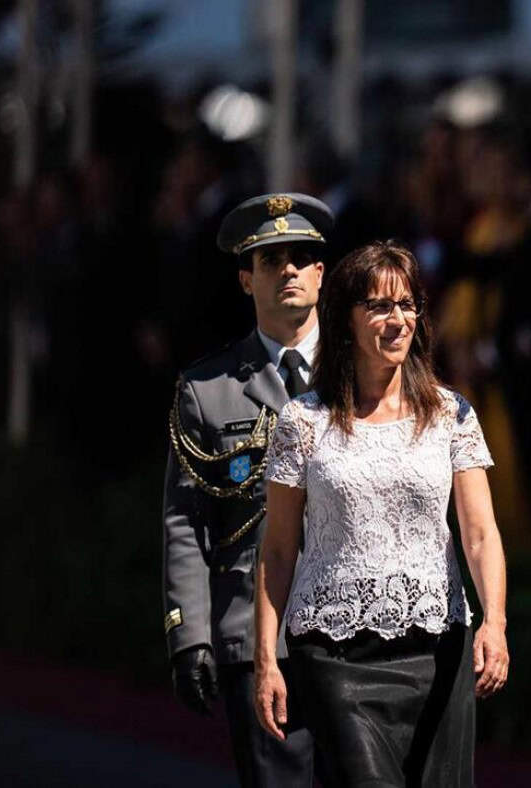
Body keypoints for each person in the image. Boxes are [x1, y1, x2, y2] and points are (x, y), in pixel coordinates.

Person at [253, 241, 508, 788]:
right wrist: (266, 658)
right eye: (379, 306)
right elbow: (277, 549)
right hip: (333, 654)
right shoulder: (303, 421)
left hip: (439, 651)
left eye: (408, 305)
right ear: (345, 319)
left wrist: (496, 622)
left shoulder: (451, 415)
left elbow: (481, 533)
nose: (398, 321)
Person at [162, 192, 332, 786]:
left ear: (321, 272)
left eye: (299, 256)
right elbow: (187, 519)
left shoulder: (368, 376)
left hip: (357, 638)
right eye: (269, 259)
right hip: (257, 637)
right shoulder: (208, 390)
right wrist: (189, 635)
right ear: (245, 279)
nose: (286, 269)